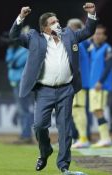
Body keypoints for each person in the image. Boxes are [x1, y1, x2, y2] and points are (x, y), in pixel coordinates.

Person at [9, 3, 97, 174]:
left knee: (65, 129)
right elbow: (14, 35)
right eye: (53, 22)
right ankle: (45, 151)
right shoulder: (35, 37)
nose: (57, 24)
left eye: (57, 21)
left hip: (66, 90)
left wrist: (92, 14)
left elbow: (88, 31)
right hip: (44, 91)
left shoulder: (69, 34)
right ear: (45, 27)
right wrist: (21, 18)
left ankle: (64, 166)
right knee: (40, 126)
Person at [5, 26, 34, 144]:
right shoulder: (14, 49)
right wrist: (11, 48)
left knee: (24, 109)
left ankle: (27, 135)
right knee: (22, 109)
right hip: (15, 82)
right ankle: (24, 134)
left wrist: (13, 50)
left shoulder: (28, 48)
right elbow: (8, 61)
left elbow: (14, 63)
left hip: (24, 82)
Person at [67, 18, 92, 149]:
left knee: (78, 110)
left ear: (77, 29)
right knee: (77, 111)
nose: (67, 30)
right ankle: (80, 137)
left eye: (70, 28)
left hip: (78, 81)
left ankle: (83, 138)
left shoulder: (77, 43)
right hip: (82, 81)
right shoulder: (84, 43)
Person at [88, 24, 112, 148]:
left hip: (101, 86)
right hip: (93, 85)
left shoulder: (107, 48)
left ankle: (105, 138)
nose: (97, 36)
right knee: (96, 111)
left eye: (100, 34)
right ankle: (104, 137)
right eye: (95, 33)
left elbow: (109, 66)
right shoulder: (92, 48)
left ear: (105, 36)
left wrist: (101, 82)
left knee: (99, 110)